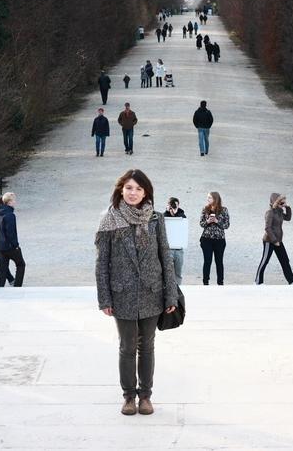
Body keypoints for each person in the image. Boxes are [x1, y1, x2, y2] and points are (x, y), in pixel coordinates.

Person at [95, 169, 177, 416]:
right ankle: (129, 396)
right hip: (122, 295)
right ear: (121, 189)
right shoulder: (110, 219)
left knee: (148, 347)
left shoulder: (156, 219)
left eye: (138, 189)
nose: (133, 193)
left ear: (146, 192)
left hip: (152, 292)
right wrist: (104, 298)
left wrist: (170, 294)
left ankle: (146, 396)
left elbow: (166, 256)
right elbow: (102, 263)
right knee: (128, 346)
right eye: (129, 188)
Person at [254, 194, 293, 285]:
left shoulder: (279, 212)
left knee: (285, 260)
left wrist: (287, 207)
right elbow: (267, 228)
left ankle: (292, 280)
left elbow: (288, 218)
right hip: (269, 240)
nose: (282, 203)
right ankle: (258, 281)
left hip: (278, 240)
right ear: (275, 202)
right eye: (281, 201)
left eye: (283, 201)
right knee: (265, 260)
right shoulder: (270, 212)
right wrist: (274, 241)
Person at [0, 192, 26, 287]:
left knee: (3, 268)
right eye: (14, 200)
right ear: (9, 202)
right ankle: (17, 286)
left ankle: (0, 287)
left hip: (1, 247)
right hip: (10, 246)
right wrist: (16, 245)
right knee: (21, 264)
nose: (15, 202)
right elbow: (11, 233)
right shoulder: (10, 215)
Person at [199, 191, 230, 285]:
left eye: (210, 198)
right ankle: (205, 282)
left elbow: (227, 225)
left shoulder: (224, 210)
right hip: (206, 239)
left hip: (219, 240)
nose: (208, 199)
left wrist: (217, 221)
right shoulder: (205, 209)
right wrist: (208, 221)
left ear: (215, 199)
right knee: (207, 261)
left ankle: (220, 282)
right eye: (207, 197)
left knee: (219, 261)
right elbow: (201, 223)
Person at [164, 197, 186, 284]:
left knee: (178, 273)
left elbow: (183, 221)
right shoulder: (164, 216)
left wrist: (176, 213)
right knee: (167, 273)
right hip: (167, 249)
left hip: (179, 249)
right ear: (168, 205)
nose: (173, 208)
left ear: (178, 206)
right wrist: (167, 212)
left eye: (175, 206)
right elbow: (161, 225)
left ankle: (178, 291)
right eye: (171, 205)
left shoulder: (182, 216)